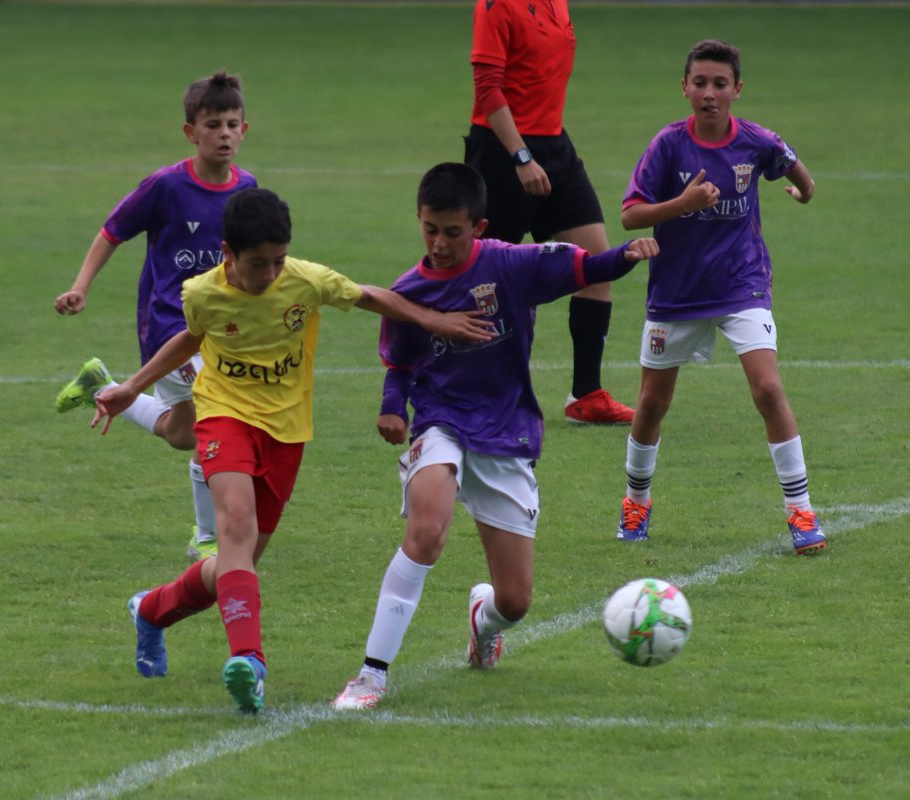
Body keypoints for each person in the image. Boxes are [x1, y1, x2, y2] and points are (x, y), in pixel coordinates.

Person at [94, 187, 497, 714]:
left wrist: (433, 320)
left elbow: (370, 296)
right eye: (258, 264)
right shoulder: (200, 292)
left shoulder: (304, 281)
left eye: (278, 261)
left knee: (237, 568)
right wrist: (133, 385)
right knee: (233, 530)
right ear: (227, 254)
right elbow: (192, 338)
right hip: (222, 416)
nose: (270, 274)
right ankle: (250, 664)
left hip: (285, 432)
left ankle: (150, 609)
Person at [333, 163, 658, 710]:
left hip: (506, 431)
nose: (438, 243)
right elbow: (400, 364)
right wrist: (392, 409)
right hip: (442, 421)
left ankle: (484, 623)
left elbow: (584, 268)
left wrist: (625, 256)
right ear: (419, 219)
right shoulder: (409, 291)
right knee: (428, 529)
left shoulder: (510, 264)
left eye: (452, 232)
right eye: (430, 229)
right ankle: (371, 675)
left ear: (478, 226)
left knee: (515, 600)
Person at [613, 39, 825, 556]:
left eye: (720, 84)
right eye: (700, 83)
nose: (709, 93)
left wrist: (802, 191)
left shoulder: (756, 141)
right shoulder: (667, 145)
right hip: (677, 292)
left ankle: (801, 512)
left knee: (769, 390)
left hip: (741, 283)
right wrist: (682, 203)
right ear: (684, 87)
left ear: (736, 90)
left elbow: (798, 170)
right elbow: (630, 216)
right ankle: (635, 502)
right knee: (651, 404)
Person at [53, 70, 256, 562]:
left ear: (244, 129)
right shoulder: (165, 186)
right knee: (214, 421)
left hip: (221, 331)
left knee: (181, 433)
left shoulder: (247, 189)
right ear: (191, 132)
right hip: (170, 325)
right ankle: (207, 537)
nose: (224, 134)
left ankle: (104, 386)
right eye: (213, 125)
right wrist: (81, 286)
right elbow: (112, 231)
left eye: (232, 124)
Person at [464, 0, 635, 425]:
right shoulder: (495, 5)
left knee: (596, 267)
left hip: (556, 147)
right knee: (486, 282)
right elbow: (487, 87)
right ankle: (482, 391)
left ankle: (586, 394)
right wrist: (521, 156)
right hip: (503, 154)